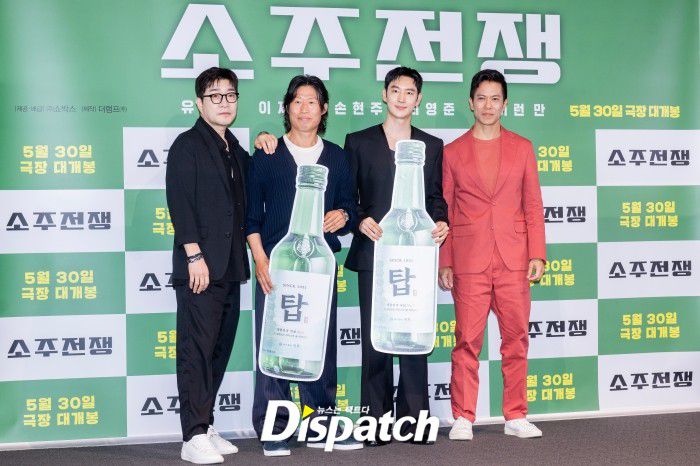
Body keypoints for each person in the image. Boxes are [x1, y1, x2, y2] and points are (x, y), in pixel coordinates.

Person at [165, 67, 276, 465]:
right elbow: (180, 202)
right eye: (215, 96)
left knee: (218, 349)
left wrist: (264, 138)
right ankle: (192, 435)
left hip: (230, 267)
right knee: (195, 351)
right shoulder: (187, 145)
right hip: (200, 268)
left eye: (230, 95)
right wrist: (194, 255)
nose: (224, 103)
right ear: (200, 103)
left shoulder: (234, 148)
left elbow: (252, 183)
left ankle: (206, 424)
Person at [246, 75, 360, 456]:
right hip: (276, 268)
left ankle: (319, 422)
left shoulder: (337, 157)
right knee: (275, 348)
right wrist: (261, 259)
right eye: (297, 101)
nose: (304, 108)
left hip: (318, 271)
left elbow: (351, 205)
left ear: (323, 109)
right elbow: (251, 216)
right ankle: (275, 427)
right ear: (287, 108)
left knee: (319, 348)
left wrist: (344, 215)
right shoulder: (268, 155)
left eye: (312, 101)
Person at [343, 66, 449, 446]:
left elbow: (436, 197)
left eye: (409, 92)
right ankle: (375, 421)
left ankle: (414, 420)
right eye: (395, 90)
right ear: (384, 95)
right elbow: (347, 199)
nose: (402, 98)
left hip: (416, 258)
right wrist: (360, 220)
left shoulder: (431, 145)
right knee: (376, 341)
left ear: (419, 99)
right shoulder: (358, 142)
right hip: (375, 254)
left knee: (414, 338)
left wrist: (441, 221)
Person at [439, 69, 546, 441]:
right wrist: (446, 260)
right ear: (470, 103)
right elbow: (447, 211)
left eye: (495, 99)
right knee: (466, 341)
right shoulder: (452, 152)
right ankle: (463, 417)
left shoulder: (523, 147)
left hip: (514, 259)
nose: (488, 105)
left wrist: (537, 253)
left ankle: (516, 415)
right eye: (481, 98)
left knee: (516, 339)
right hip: (469, 260)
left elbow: (533, 205)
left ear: (505, 104)